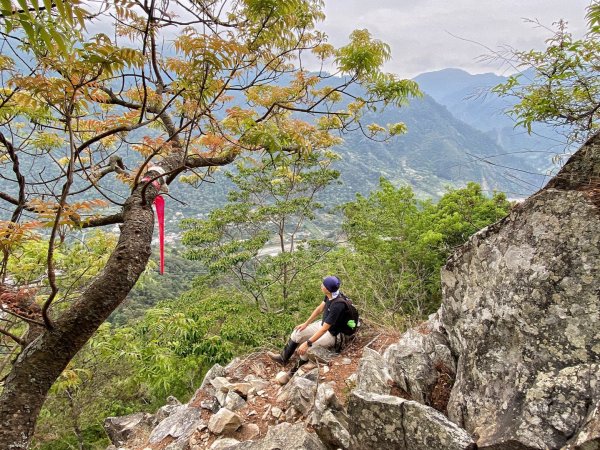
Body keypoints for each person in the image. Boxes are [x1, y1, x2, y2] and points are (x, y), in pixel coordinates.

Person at [268, 275, 354, 376]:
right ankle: (283, 358)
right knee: (298, 333)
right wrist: (306, 323)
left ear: (327, 289)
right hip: (323, 325)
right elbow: (319, 309)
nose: (321, 285)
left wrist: (307, 343)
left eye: (323, 285)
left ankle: (292, 373)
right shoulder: (330, 294)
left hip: (333, 334)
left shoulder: (338, 305)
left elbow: (324, 329)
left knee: (307, 349)